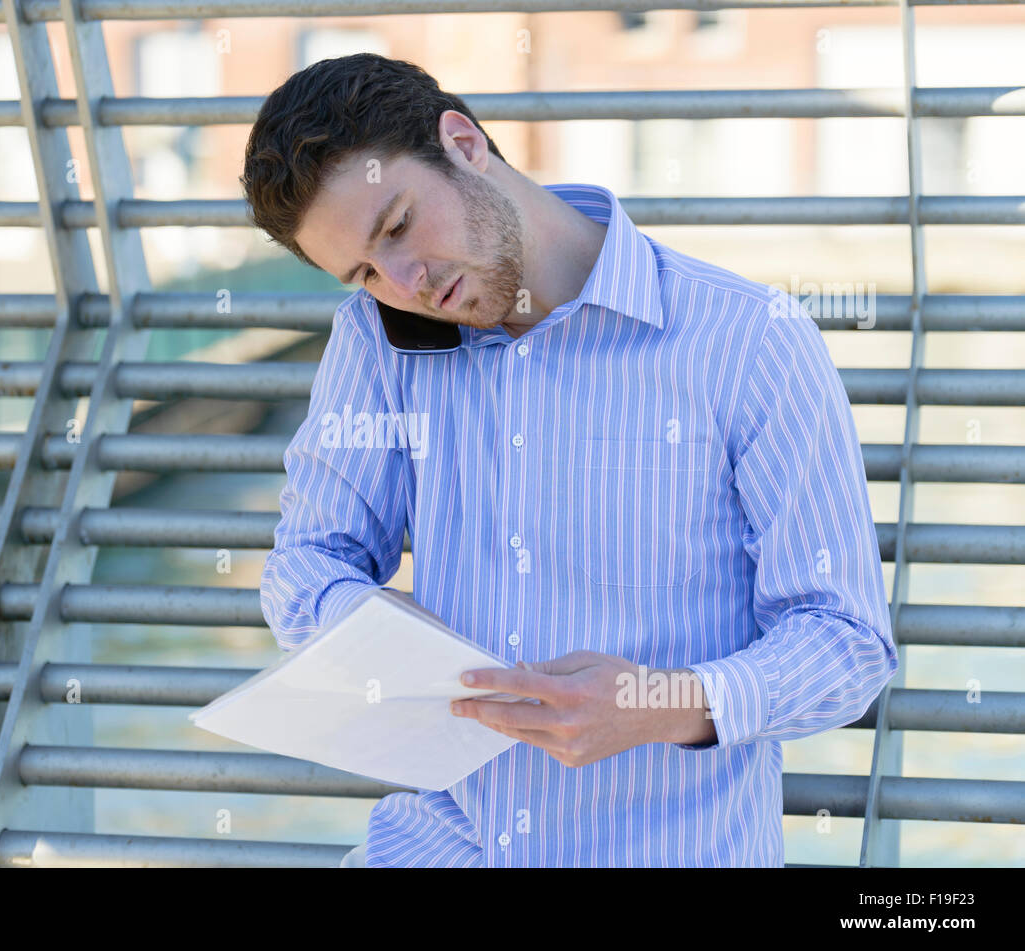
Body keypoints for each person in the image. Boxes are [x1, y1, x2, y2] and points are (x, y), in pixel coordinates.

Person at [242, 53, 898, 867]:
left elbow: (846, 643)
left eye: (400, 225)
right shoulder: (375, 344)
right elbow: (306, 562)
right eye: (365, 271)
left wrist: (660, 704)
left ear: (463, 142)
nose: (406, 281)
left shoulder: (751, 342)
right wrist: (385, 638)